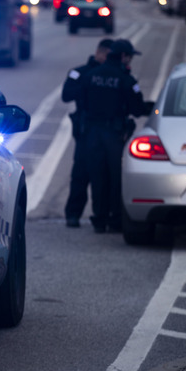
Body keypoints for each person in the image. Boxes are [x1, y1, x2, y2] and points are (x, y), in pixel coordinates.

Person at [80, 39, 154, 233]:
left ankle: (99, 218)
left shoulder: (91, 75)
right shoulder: (126, 80)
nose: (130, 61)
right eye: (129, 57)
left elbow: (81, 100)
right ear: (122, 56)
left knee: (97, 176)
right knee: (116, 177)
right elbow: (137, 109)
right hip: (114, 135)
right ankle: (115, 218)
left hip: (93, 134)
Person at [61, 38, 114, 228]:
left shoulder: (113, 75)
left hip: (106, 132)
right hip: (85, 130)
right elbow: (66, 94)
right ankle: (73, 213)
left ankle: (103, 215)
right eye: (108, 55)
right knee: (81, 173)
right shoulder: (81, 72)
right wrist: (88, 83)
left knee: (104, 175)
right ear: (99, 53)